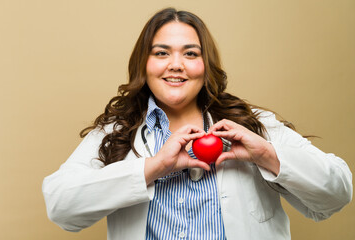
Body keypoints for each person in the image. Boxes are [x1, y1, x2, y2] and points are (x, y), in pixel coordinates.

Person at [42, 8, 352, 240]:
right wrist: (153, 167)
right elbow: (61, 205)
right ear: (144, 65)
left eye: (190, 53)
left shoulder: (251, 125)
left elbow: (337, 192)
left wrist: (267, 155)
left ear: (206, 66)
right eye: (161, 53)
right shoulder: (117, 134)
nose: (175, 64)